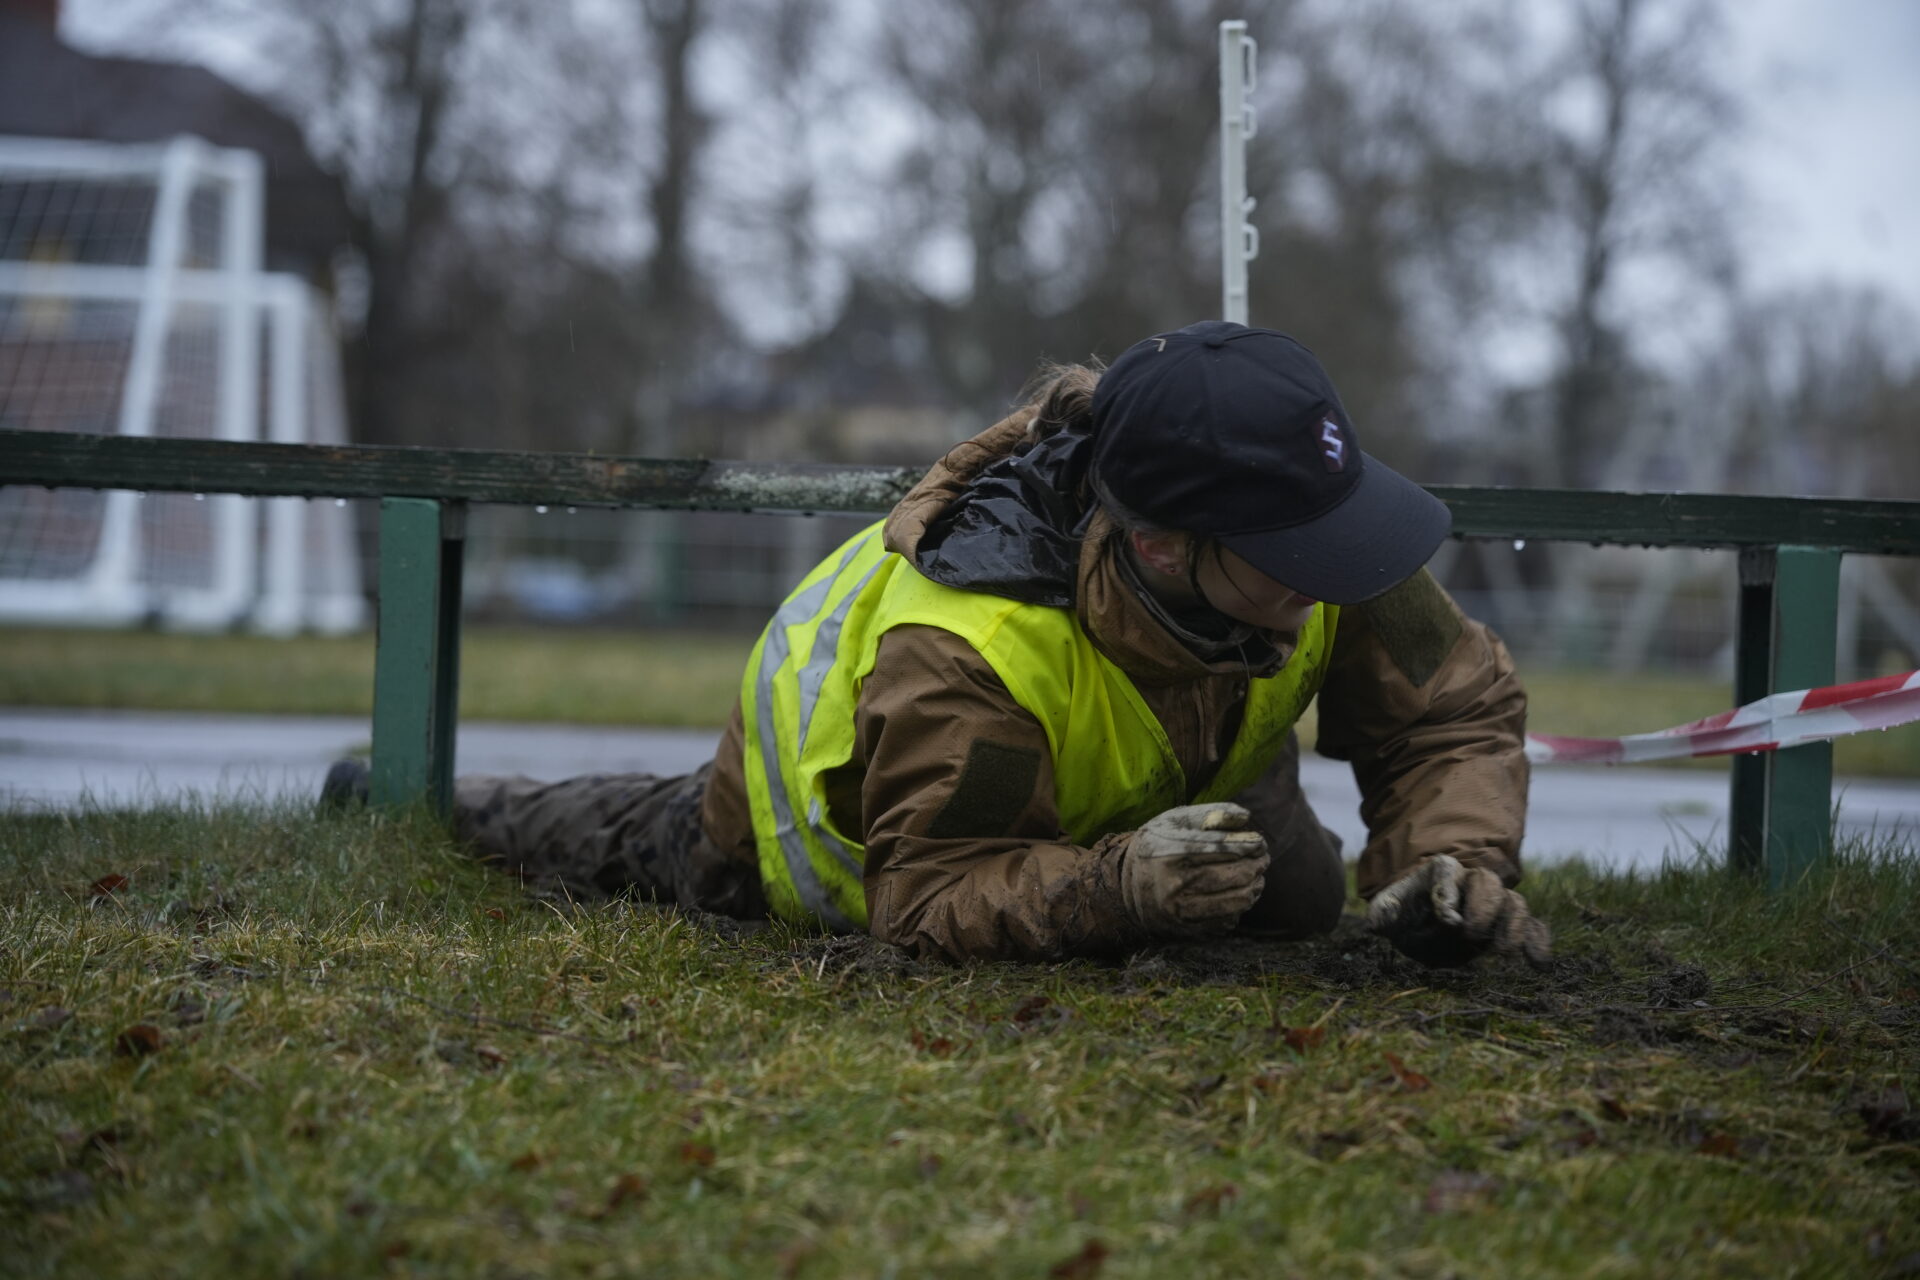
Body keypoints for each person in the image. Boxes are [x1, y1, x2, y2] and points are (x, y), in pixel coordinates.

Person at [329, 321, 1547, 968]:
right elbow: (930, 894)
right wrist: (1114, 888)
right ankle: (425, 795)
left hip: (1168, 777)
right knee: (599, 838)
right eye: (1297, 551)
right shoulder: (974, 647)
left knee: (1301, 901)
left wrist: (1451, 864)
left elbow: (1453, 708)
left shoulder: (1321, 541)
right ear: (1165, 545)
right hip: (824, 828)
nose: (1343, 570)